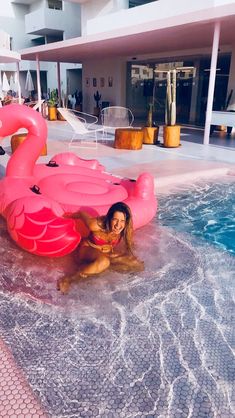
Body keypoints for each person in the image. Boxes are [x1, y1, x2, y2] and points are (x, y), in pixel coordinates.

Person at [58, 202, 144, 293]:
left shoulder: (126, 228)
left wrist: (124, 258)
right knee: (104, 262)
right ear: (109, 218)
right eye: (115, 220)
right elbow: (81, 213)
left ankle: (97, 268)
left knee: (137, 264)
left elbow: (130, 247)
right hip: (87, 251)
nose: (118, 225)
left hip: (105, 255)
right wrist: (66, 217)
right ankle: (68, 279)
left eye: (122, 221)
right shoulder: (95, 225)